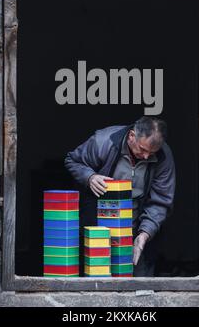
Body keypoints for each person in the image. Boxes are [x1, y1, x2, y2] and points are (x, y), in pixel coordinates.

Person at [64, 116, 176, 276]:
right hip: (98, 226)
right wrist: (90, 177)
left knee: (138, 283)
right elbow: (72, 161)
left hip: (136, 227)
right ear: (132, 136)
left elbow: (161, 201)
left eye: (151, 153)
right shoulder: (104, 141)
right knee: (95, 278)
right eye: (143, 150)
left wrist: (144, 235)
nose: (146, 156)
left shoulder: (163, 156)